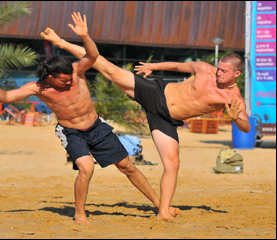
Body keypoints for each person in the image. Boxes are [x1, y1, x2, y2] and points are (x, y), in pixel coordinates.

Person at [40, 19, 250, 221]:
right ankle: (60, 42)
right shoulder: (205, 69)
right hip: (156, 93)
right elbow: (178, 67)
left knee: (172, 163)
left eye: (224, 71)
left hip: (166, 119)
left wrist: (235, 120)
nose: (218, 72)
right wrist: (154, 67)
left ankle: (163, 210)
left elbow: (246, 127)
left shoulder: (232, 99)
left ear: (237, 74)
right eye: (219, 67)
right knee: (109, 69)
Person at [0, 12, 167, 226]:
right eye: (64, 81)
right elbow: (5, 97)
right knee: (87, 168)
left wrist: (85, 36)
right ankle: (80, 214)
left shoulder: (76, 72)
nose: (69, 83)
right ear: (50, 77)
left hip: (97, 127)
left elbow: (93, 57)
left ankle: (161, 205)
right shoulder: (37, 88)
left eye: (70, 79)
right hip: (72, 132)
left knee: (127, 166)